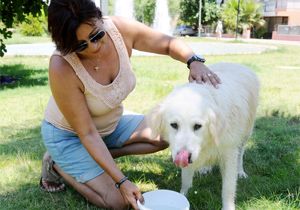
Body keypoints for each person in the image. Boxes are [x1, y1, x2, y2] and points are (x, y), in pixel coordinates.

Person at [40, 0, 221, 209]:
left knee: (166, 133)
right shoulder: (61, 65)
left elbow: (168, 44)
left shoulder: (120, 30)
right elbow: (87, 133)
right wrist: (122, 181)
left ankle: (94, 159)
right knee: (119, 201)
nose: (94, 47)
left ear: (100, 19)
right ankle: (57, 164)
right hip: (70, 137)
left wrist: (193, 61)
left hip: (109, 127)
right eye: (80, 46)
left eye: (97, 36)